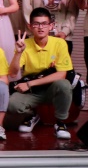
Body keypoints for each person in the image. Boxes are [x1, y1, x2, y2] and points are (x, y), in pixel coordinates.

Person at [6, 8, 74, 139]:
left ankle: (60, 123)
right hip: (33, 92)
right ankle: (32, 115)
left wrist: (29, 84)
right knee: (12, 104)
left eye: (44, 24)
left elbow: (62, 74)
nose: (40, 27)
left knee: (64, 85)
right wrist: (18, 52)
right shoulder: (25, 44)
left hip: (51, 88)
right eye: (36, 24)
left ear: (51, 26)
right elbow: (13, 74)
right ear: (30, 26)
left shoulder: (60, 43)